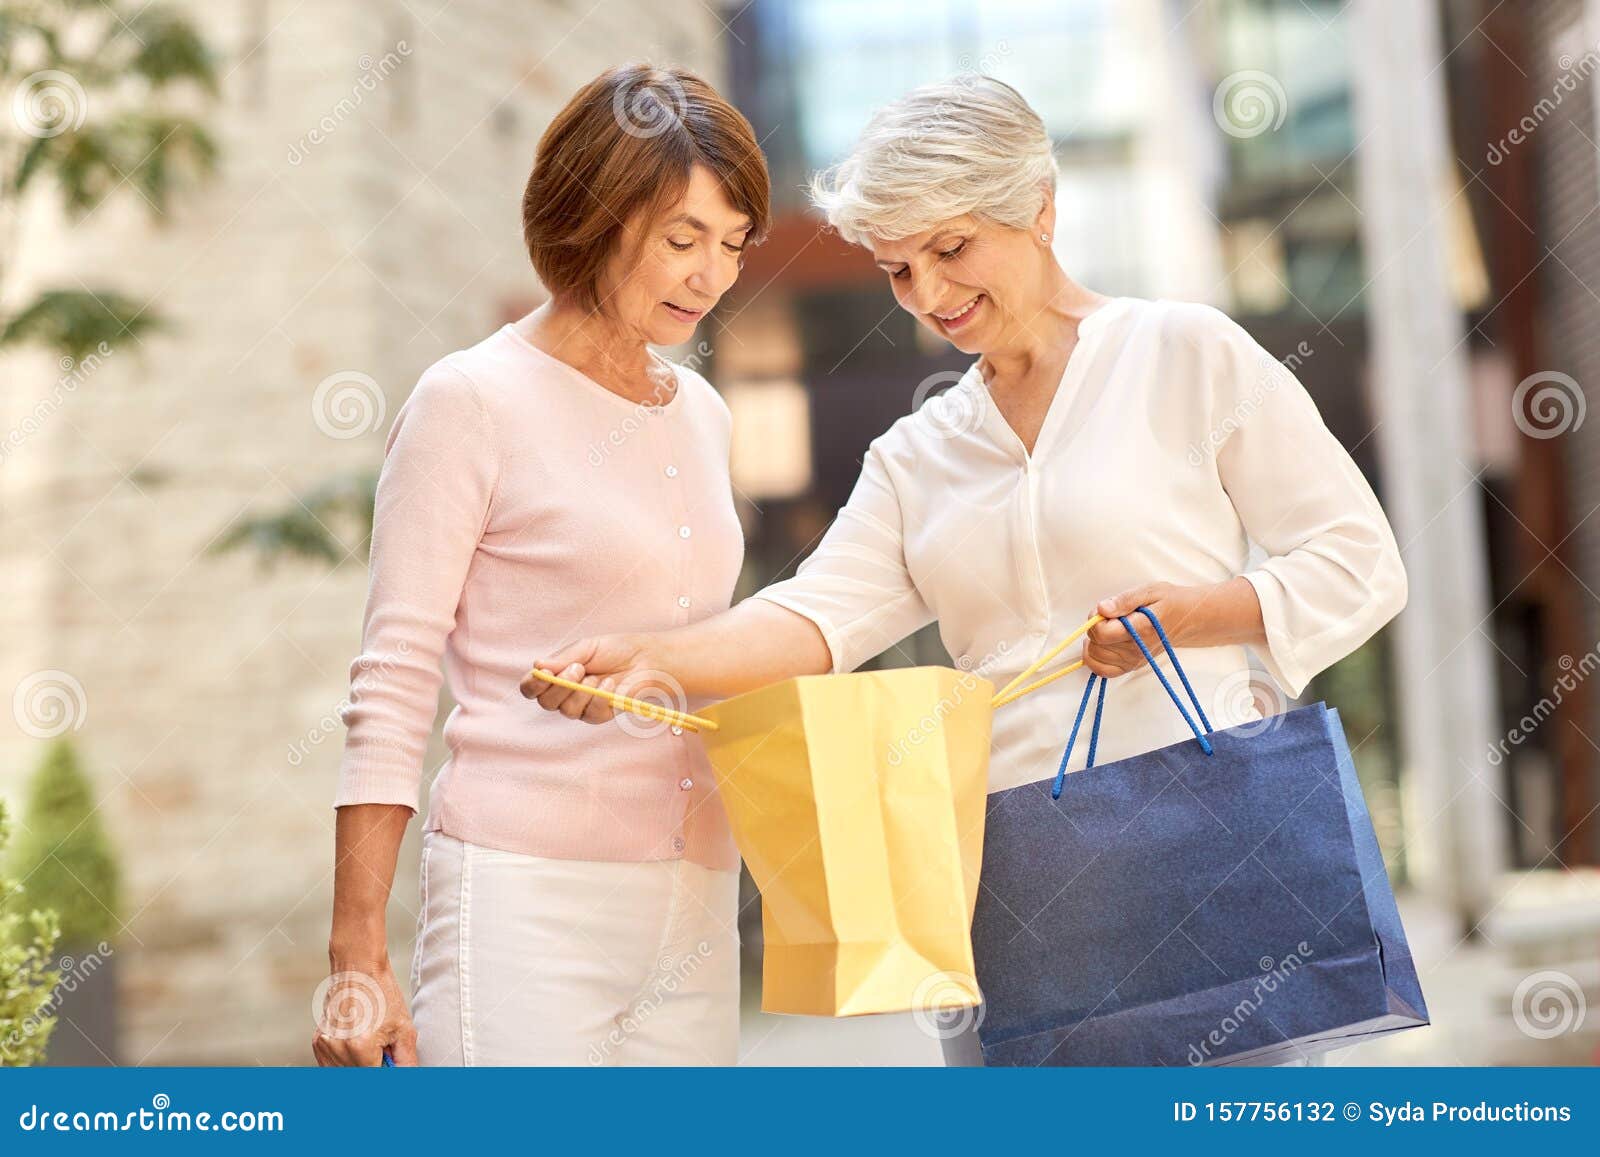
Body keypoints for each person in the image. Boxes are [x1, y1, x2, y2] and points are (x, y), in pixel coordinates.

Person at [525, 75, 1405, 1067]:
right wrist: (655, 657)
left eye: (951, 248)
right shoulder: (917, 452)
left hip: (1202, 842)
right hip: (1009, 877)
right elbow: (816, 617)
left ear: (1038, 206)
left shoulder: (1183, 354)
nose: (931, 294)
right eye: (899, 269)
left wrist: (1197, 613)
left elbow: (1358, 560)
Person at [316, 63, 770, 1067]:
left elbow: (711, 646)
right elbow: (391, 681)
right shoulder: (470, 401)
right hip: (525, 896)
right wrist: (357, 952)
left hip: (695, 901)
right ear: (594, 217)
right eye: (681, 238)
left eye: (732, 243)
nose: (712, 274)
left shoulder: (703, 413)